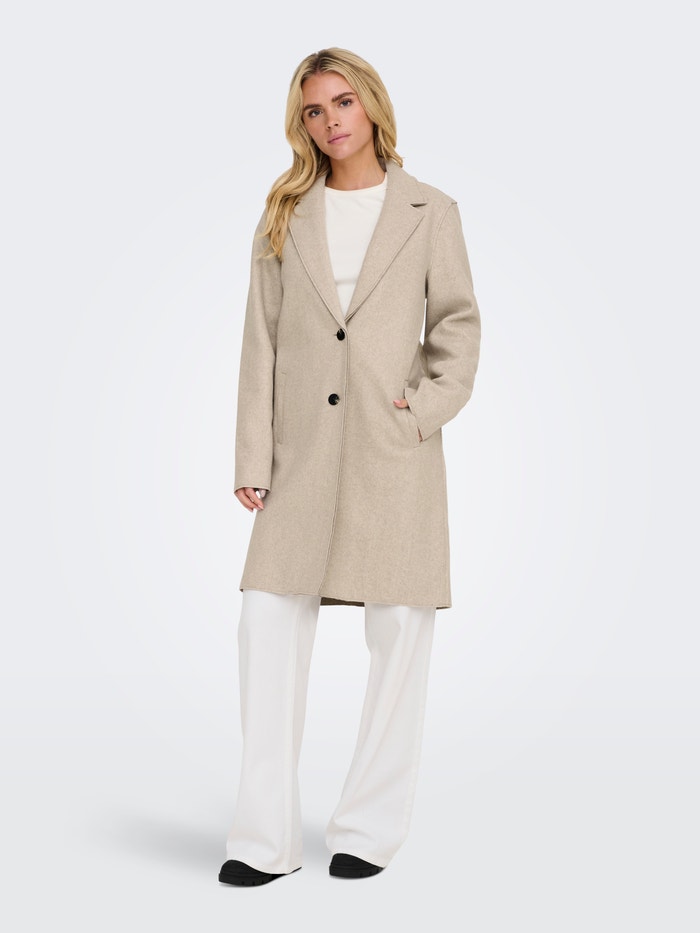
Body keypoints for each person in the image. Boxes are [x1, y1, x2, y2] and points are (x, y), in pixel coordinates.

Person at [219, 47, 481, 886]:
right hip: (299, 456)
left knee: (399, 633)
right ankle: (263, 839)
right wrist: (254, 453)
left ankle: (367, 830)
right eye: (313, 110)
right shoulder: (285, 213)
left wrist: (421, 412)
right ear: (301, 124)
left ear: (371, 104)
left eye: (342, 102)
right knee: (266, 624)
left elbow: (458, 326)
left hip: (391, 452)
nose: (330, 121)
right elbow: (262, 338)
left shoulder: (430, 210)